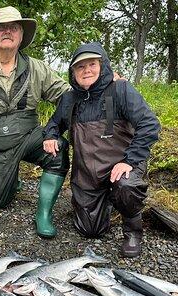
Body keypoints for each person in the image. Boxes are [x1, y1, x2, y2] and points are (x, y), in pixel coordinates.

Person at [0, 6, 70, 238]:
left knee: (59, 149)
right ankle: (8, 176)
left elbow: (67, 96)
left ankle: (44, 214)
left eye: (13, 27)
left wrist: (53, 129)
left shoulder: (37, 68)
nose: (7, 31)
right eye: (1, 27)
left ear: (21, 35)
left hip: (29, 138)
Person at [43, 42, 160, 257]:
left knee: (126, 186)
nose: (86, 70)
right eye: (80, 66)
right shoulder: (69, 99)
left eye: (92, 64)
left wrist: (130, 161)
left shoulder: (121, 89)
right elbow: (53, 123)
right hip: (88, 174)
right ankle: (105, 201)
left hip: (122, 165)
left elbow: (150, 125)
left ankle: (133, 230)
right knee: (89, 231)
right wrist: (50, 136)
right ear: (73, 72)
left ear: (103, 65)